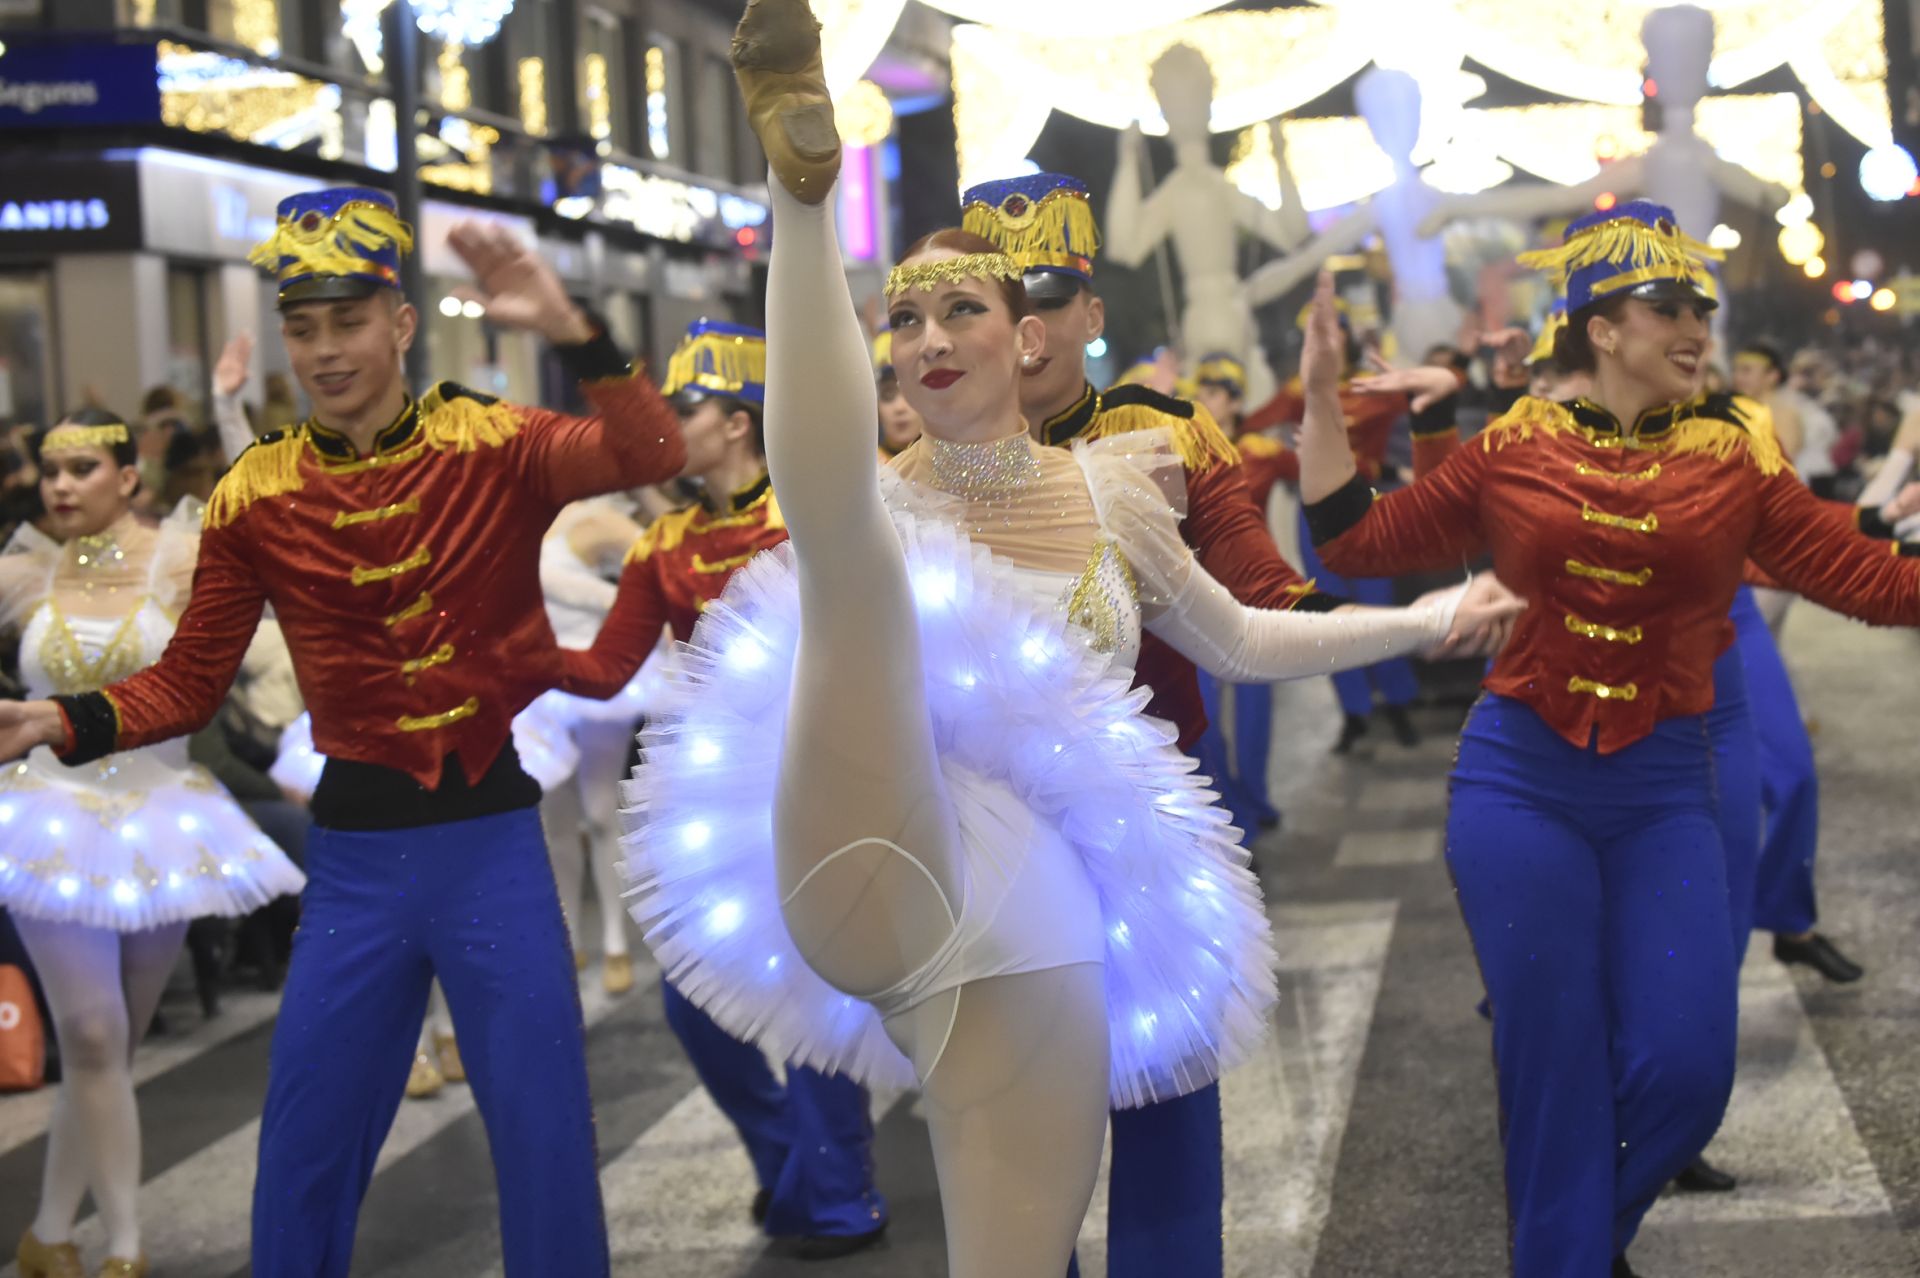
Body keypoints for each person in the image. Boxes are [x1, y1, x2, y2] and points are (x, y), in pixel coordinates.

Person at [622, 7, 1522, 1275]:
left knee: (1018, 1246)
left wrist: (1430, 618)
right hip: (881, 856)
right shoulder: (871, 488)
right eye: (907, 319)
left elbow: (1244, 636)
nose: (930, 339)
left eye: (965, 312)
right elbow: (815, 456)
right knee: (851, 542)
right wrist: (802, 204)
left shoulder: (1120, 485)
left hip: (1047, 911)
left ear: (1033, 333)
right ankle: (800, 186)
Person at [0, 186, 687, 1278]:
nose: (324, 351)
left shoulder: (493, 442)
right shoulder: (253, 494)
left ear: (400, 323)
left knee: (546, 1137)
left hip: (491, 846)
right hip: (358, 862)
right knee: (306, 1152)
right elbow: (185, 683)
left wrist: (572, 326)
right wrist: (60, 718)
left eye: (348, 322)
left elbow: (648, 448)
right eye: (302, 328)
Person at [1294, 202, 1920, 1278]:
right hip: (1519, 782)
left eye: (1701, 311)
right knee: (1552, 1062)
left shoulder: (1735, 453)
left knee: (1686, 1068)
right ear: (1600, 327)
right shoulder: (1514, 445)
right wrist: (1321, 398)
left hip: (1667, 788)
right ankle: (1566, 1255)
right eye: (1667, 307)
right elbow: (1359, 534)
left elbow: (1862, 574)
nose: (1694, 330)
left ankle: (1574, 1232)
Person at [961, 164, 1517, 1278]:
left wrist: (1404, 621)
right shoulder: (920, 450)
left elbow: (1254, 599)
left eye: (1051, 300)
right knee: (1007, 1132)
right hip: (983, 824)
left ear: (1092, 312)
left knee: (1164, 1095)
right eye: (996, 302)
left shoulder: (1165, 436)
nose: (1027, 329)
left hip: (1143, 800)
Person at [566, 317, 889, 1258]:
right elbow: (603, 669)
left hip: (826, 778)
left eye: (687, 407)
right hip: (718, 802)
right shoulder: (660, 541)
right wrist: (503, 653)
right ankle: (789, 1159)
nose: (667, 424)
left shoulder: (817, 510)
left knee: (821, 991)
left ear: (741, 422)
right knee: (693, 1004)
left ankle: (839, 1190)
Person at [2, 409, 304, 1278]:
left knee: (115, 1049)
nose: (61, 485)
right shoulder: (23, 570)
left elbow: (269, 548)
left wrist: (231, 414)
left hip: (163, 817)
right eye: (52, 470)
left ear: (129, 477)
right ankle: (126, 1246)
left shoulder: (182, 556)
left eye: (84, 467)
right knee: (92, 1037)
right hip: (47, 817)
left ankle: (50, 1231)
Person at [1244, 302, 1424, 753]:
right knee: (1330, 618)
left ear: (1345, 340)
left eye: (1331, 336)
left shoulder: (1372, 389)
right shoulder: (1294, 392)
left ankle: (1399, 702)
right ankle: (1354, 713)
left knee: (1379, 613)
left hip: (1368, 511)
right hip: (1316, 518)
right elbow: (1246, 423)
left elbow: (1424, 406)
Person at [874, 330, 925, 459]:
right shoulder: (863, 468)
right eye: (888, 395)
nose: (899, 408)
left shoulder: (952, 464)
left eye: (910, 393)